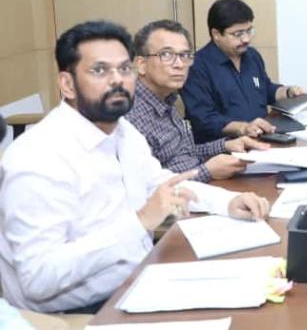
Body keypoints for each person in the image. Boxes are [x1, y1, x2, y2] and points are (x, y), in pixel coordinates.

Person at [0, 21, 270, 313]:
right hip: (78, 313)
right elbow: (38, 279)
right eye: (99, 70)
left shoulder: (123, 132)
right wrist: (140, 222)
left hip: (139, 281)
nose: (117, 80)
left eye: (124, 69)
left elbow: (163, 184)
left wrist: (228, 202)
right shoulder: (37, 158)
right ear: (67, 84)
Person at [127, 20, 271, 182]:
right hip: (181, 194)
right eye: (166, 55)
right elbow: (147, 185)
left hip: (197, 188)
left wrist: (226, 145)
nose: (179, 64)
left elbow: (185, 154)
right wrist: (207, 171)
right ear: (141, 64)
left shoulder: (166, 100)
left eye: (184, 55)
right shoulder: (130, 115)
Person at [182, 0, 306, 143]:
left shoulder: (252, 56)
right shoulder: (196, 67)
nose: (246, 39)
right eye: (238, 34)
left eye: (249, 31)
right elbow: (204, 119)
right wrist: (243, 128)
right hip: (223, 147)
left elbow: (265, 89)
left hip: (261, 139)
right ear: (216, 34)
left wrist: (287, 92)